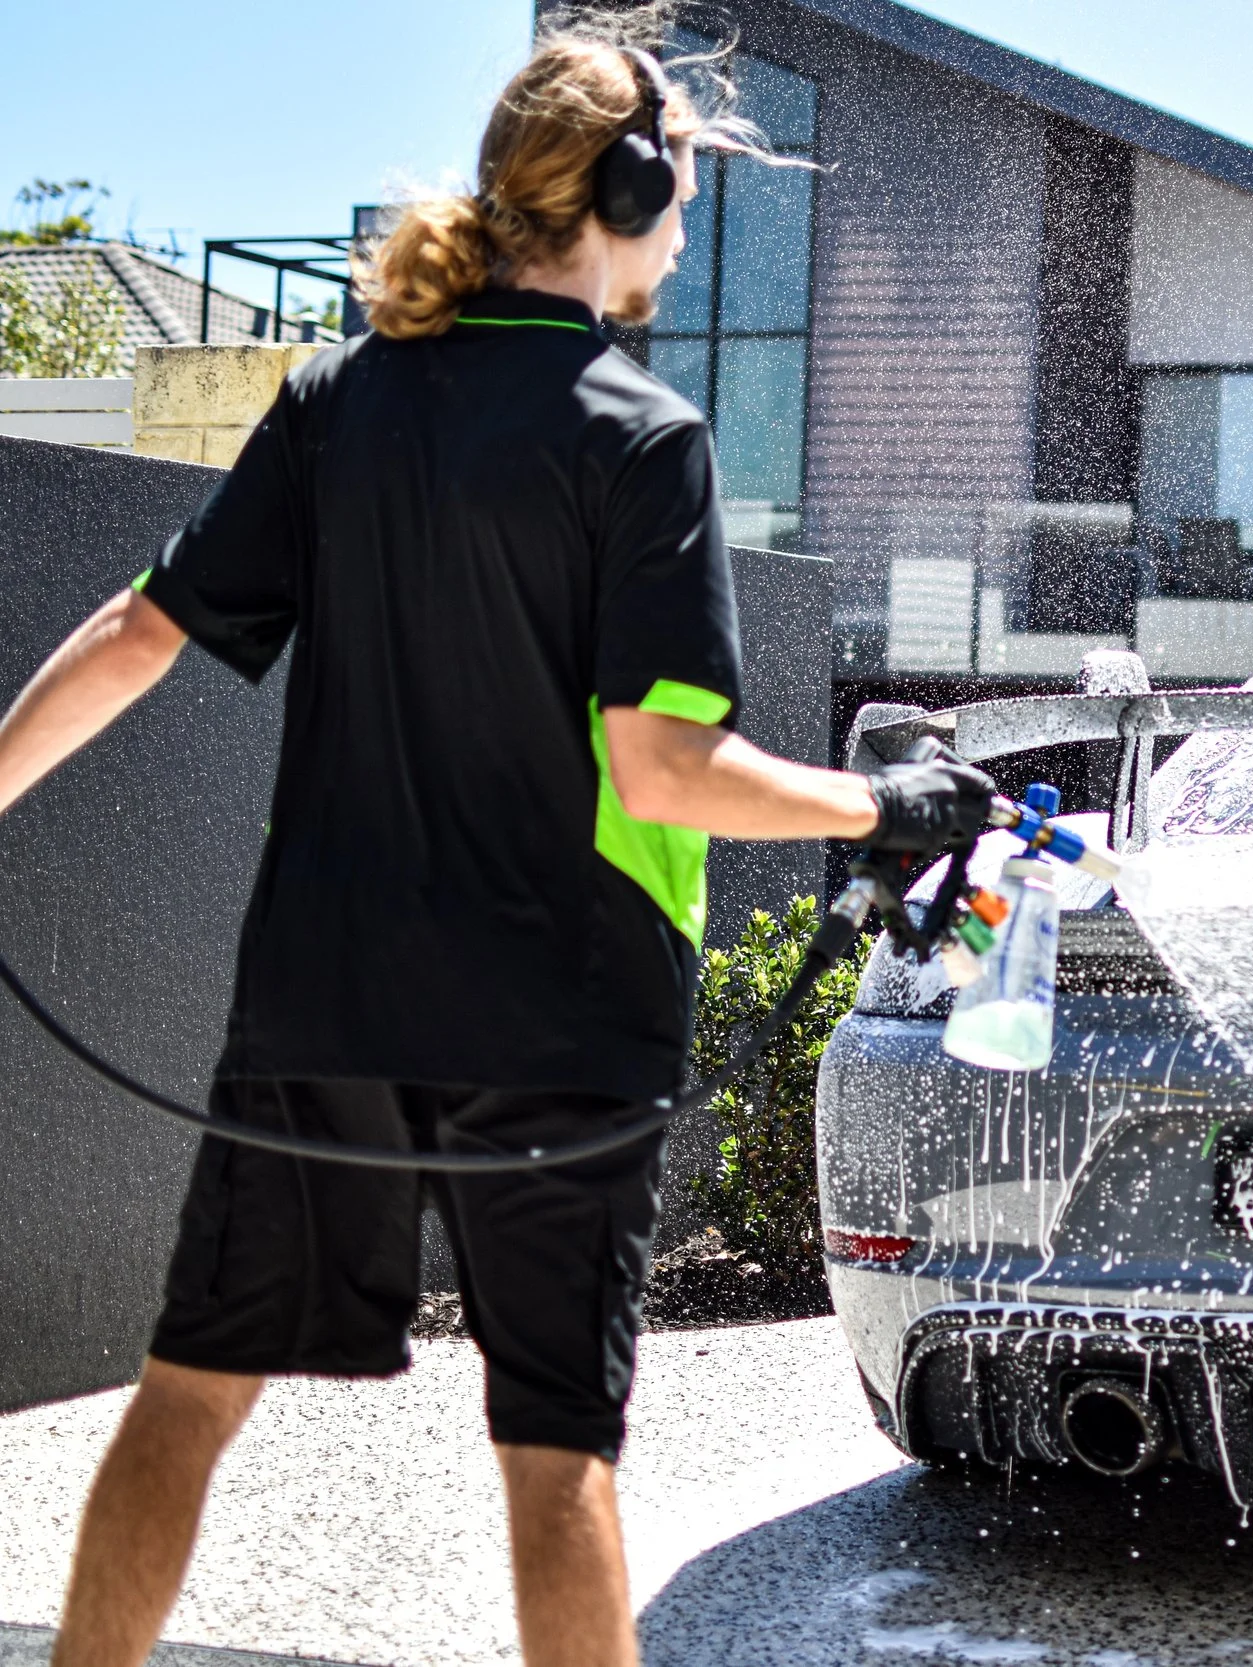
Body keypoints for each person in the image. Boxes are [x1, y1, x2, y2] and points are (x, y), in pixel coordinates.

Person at [0, 19, 992, 1667]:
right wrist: (881, 806)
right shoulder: (642, 440)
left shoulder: (341, 401)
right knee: (553, 1464)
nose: (687, 222)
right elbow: (668, 769)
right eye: (680, 182)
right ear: (629, 184)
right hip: (561, 1034)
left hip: (327, 1009)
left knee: (186, 1403)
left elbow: (138, 627)